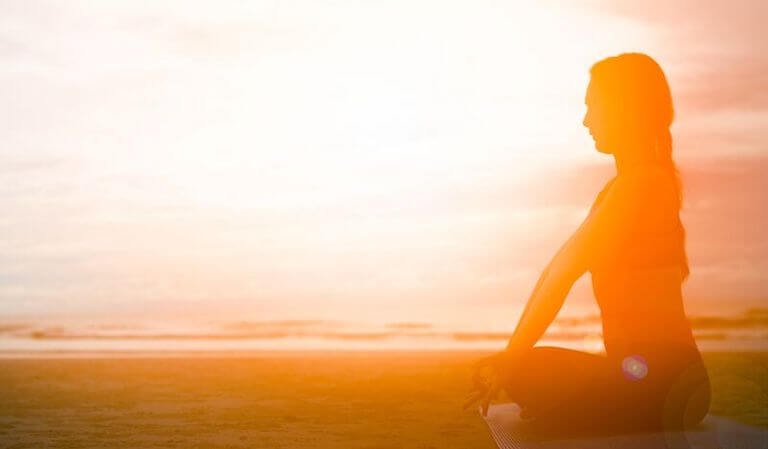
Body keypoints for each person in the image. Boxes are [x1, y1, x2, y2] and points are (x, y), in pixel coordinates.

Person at [463, 53, 711, 436]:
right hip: (648, 376)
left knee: (528, 377)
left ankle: (593, 414)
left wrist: (510, 361)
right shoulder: (623, 188)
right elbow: (553, 270)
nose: (586, 120)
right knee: (528, 370)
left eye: (594, 107)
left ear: (626, 108)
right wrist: (511, 358)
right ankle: (586, 409)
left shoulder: (643, 184)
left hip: (668, 380)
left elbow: (562, 274)